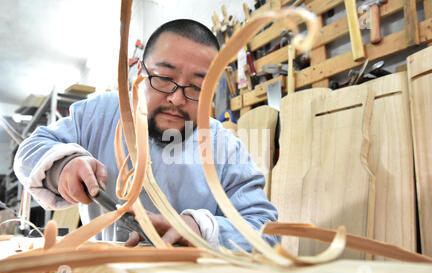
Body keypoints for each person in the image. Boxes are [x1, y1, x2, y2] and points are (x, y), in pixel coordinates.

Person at [13, 19, 279, 251]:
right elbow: (30, 149)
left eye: (198, 87)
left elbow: (265, 230)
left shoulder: (224, 147)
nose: (176, 99)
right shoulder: (100, 114)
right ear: (140, 73)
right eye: (163, 78)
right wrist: (62, 165)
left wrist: (201, 229)